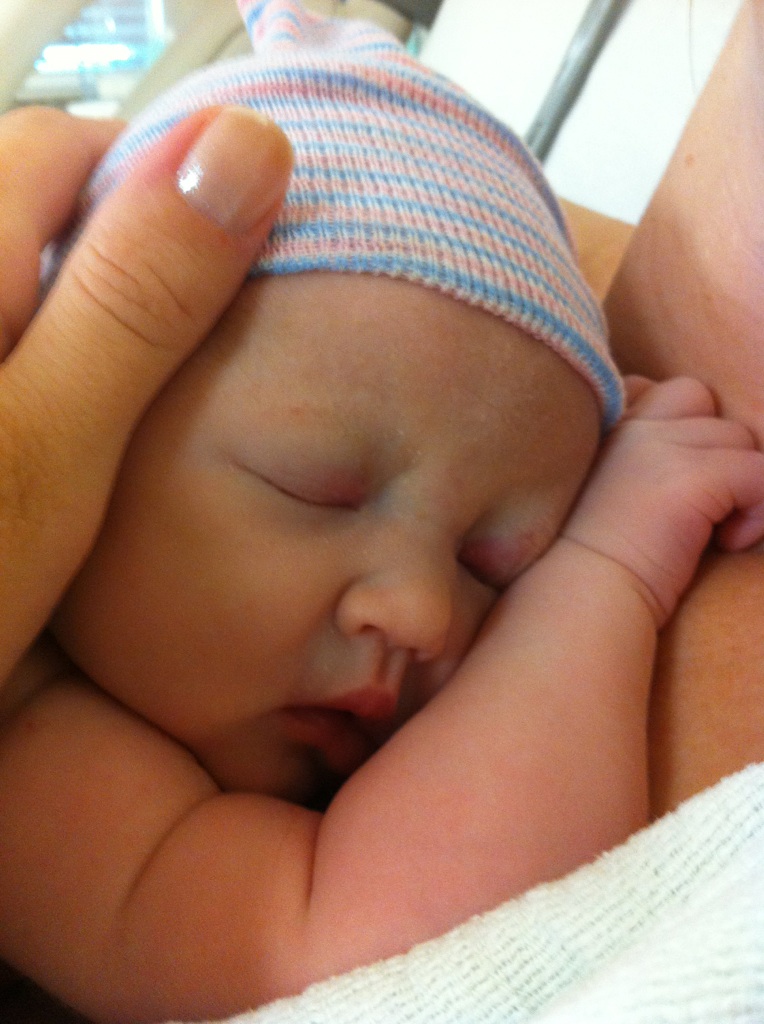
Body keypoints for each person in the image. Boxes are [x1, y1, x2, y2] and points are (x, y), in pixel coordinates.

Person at [1, 2, 764, 1024]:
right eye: (316, 490)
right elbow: (364, 935)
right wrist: (601, 572)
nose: (423, 613)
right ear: (87, 415)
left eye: (494, 565)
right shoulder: (33, 748)